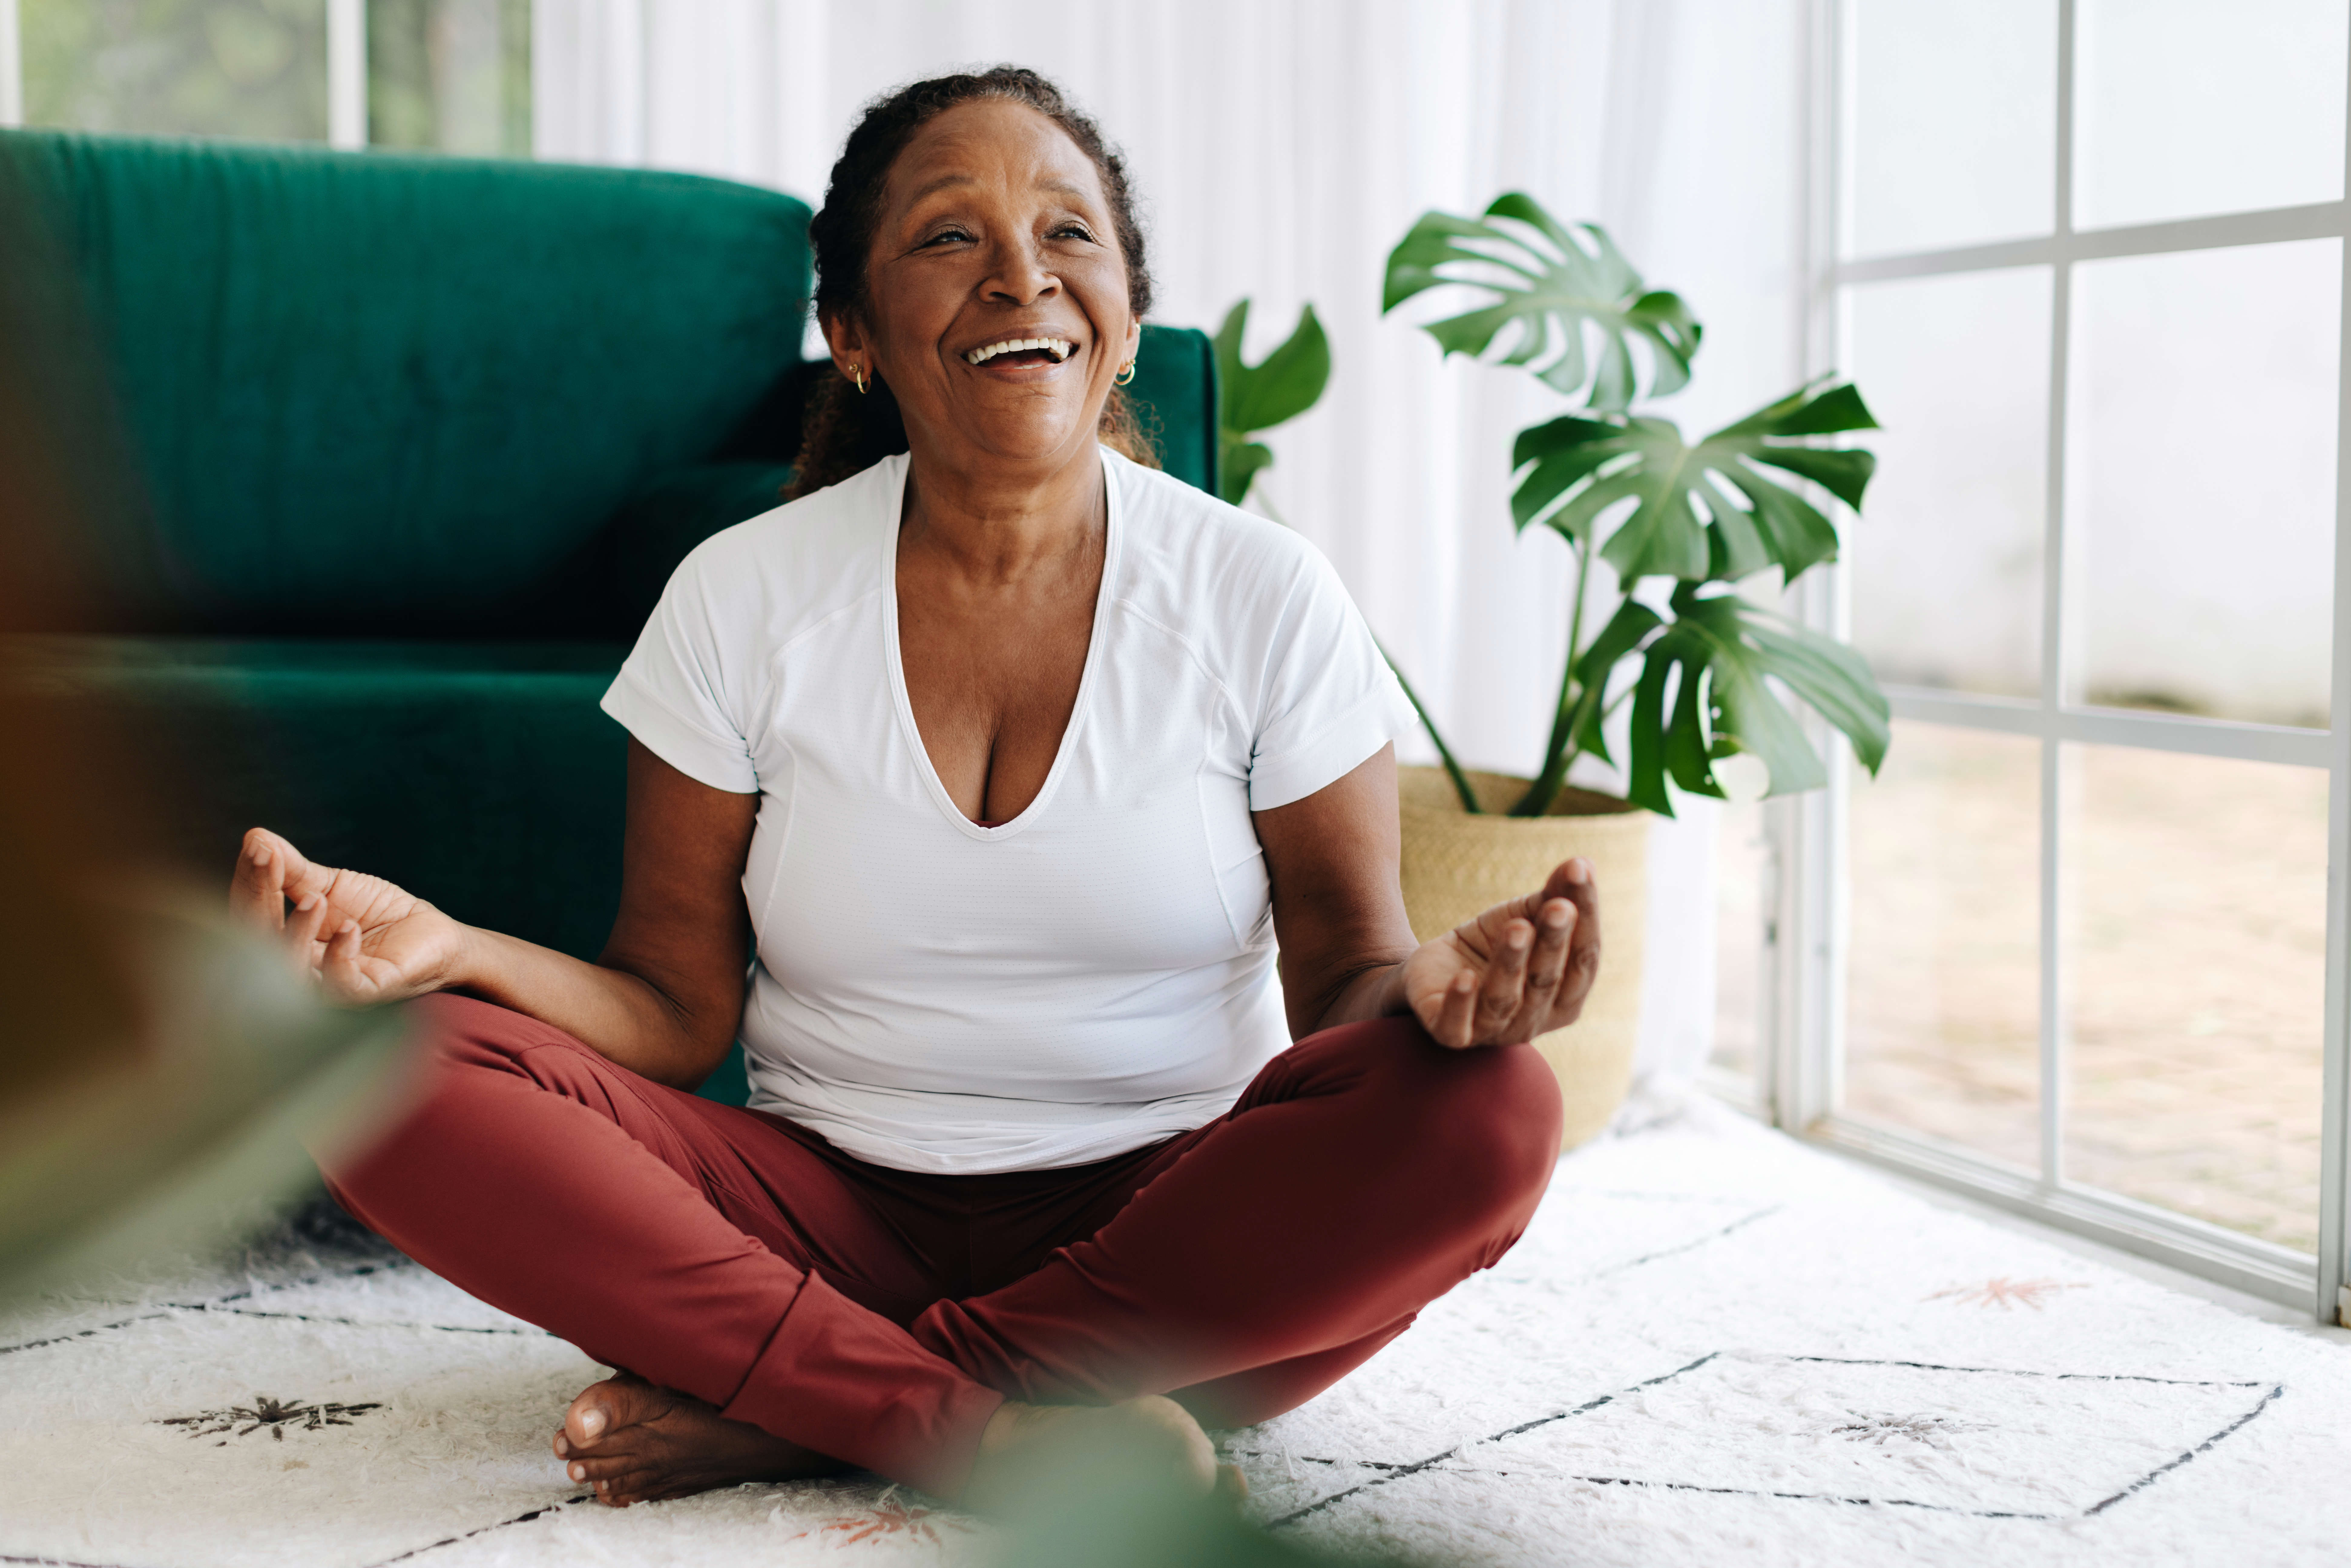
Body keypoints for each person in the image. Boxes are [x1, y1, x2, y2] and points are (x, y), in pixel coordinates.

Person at [230, 66, 1598, 1511]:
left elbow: (1344, 992)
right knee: (371, 1068)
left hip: (1167, 1229)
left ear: (1125, 318)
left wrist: (1444, 994)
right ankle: (979, 1416)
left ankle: (825, 1405)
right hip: (811, 1214)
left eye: (1070, 236)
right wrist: (454, 953)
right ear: (855, 334)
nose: (1023, 276)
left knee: (1487, 1112)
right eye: (952, 238)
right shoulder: (743, 597)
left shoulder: (1264, 594)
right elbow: (673, 1009)